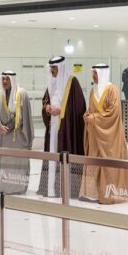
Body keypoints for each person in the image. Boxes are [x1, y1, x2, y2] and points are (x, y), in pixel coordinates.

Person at [80, 64, 128, 204]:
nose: (93, 76)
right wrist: (87, 115)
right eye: (93, 73)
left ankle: (109, 195)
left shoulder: (112, 90)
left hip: (110, 136)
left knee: (108, 163)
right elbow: (91, 109)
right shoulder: (93, 91)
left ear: (101, 74)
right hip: (95, 135)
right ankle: (92, 194)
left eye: (95, 73)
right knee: (94, 161)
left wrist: (94, 118)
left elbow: (113, 113)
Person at [38, 56, 87, 199]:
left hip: (66, 130)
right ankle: (50, 189)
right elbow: (45, 100)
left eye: (54, 68)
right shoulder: (51, 83)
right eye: (51, 68)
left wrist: (61, 111)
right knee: (51, 155)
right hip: (52, 128)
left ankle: (64, 189)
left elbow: (78, 108)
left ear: (61, 68)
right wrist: (47, 108)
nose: (52, 71)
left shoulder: (72, 83)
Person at [0, 71, 34, 195]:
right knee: (4, 162)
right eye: (3, 79)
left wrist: (11, 125)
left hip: (17, 137)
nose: (4, 82)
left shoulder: (22, 94)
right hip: (3, 137)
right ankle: (3, 187)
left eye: (7, 79)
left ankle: (17, 188)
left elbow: (24, 116)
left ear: (13, 80)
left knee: (16, 162)